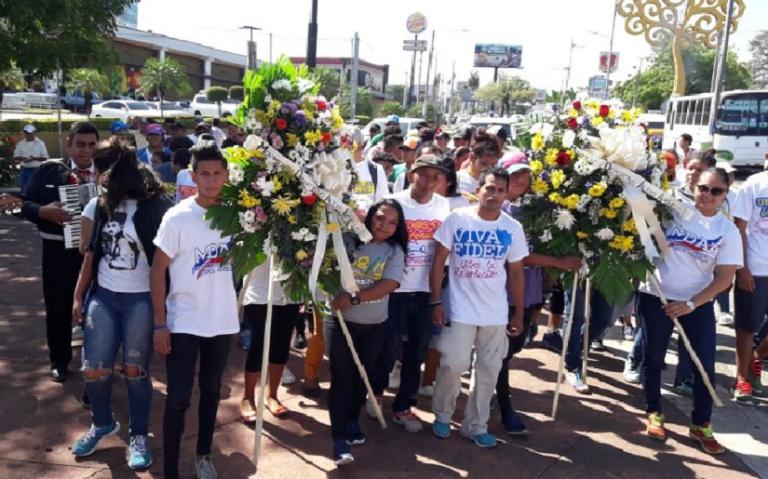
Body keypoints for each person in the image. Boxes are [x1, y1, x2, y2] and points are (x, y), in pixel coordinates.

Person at [70, 141, 171, 468]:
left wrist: (163, 314)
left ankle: (138, 435)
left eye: (104, 172)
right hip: (104, 296)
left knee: (134, 371)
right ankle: (102, 423)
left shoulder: (155, 206)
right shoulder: (102, 205)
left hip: (140, 299)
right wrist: (78, 294)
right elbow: (91, 254)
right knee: (93, 368)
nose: (100, 179)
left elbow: (166, 261)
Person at [150, 141, 239, 479]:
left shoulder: (237, 215)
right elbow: (157, 270)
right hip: (184, 320)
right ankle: (171, 468)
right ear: (193, 175)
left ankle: (203, 454)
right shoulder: (178, 217)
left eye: (218, 173)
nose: (212, 180)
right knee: (178, 398)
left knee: (212, 390)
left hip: (222, 320)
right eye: (205, 173)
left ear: (227, 175)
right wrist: (160, 324)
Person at [637, 168, 741, 454]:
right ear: (694, 187)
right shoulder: (673, 212)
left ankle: (701, 424)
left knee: (704, 364)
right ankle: (654, 411)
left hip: (697, 304)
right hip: (655, 296)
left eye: (715, 191)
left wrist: (691, 304)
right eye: (703, 188)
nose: (707, 195)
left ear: (724, 195)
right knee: (654, 356)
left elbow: (724, 278)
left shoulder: (727, 230)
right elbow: (640, 229)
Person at [430, 167, 528, 448]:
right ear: (479, 189)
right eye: (489, 188)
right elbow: (439, 261)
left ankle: (476, 425)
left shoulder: (512, 228)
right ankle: (443, 415)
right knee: (454, 364)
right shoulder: (457, 219)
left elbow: (517, 273)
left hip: (495, 314)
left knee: (488, 371)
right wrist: (435, 301)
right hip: (459, 309)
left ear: (506, 193)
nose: (493, 194)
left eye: (499, 189)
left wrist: (518, 313)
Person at [493, 155, 581, 435]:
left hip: (530, 290)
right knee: (504, 353)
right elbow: (517, 256)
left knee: (517, 345)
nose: (520, 180)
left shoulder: (535, 208)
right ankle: (505, 408)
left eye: (525, 175)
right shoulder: (498, 208)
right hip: (503, 290)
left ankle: (491, 383)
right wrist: (557, 263)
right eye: (514, 174)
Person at [326, 199, 407, 465]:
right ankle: (338, 440)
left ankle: (351, 420)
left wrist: (355, 298)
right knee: (342, 378)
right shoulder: (348, 239)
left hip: (374, 325)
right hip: (340, 322)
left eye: (392, 222)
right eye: (381, 217)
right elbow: (328, 266)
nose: (385, 225)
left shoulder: (394, 251)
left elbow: (390, 284)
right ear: (371, 216)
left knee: (363, 376)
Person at [21, 122, 99, 382]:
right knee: (58, 306)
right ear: (69, 144)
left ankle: (97, 361)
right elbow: (25, 203)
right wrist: (42, 211)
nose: (86, 150)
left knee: (100, 307)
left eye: (91, 144)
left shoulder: (107, 172)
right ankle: (59, 360)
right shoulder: (50, 170)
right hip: (58, 251)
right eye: (80, 144)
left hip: (98, 253)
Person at [381, 154, 450, 433]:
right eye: (424, 174)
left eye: (436, 176)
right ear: (412, 175)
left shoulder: (443, 206)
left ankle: (403, 406)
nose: (429, 181)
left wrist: (436, 299)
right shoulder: (395, 203)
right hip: (393, 288)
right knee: (385, 348)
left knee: (416, 352)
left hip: (424, 291)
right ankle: (374, 393)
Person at [239, 260, 301, 421]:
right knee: (259, 345)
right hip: (259, 292)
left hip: (289, 292)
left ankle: (272, 395)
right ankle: (248, 397)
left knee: (281, 345)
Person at [732, 167, 768, 403]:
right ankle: (741, 379)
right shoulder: (753, 185)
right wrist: (743, 267)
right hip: (756, 267)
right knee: (747, 327)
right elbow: (739, 228)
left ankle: (756, 358)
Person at [14, 124, 49, 192]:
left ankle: (36, 202)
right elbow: (16, 156)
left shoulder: (40, 143)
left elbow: (45, 157)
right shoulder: (20, 143)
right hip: (24, 170)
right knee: (24, 189)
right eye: (26, 133)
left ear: (34, 133)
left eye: (30, 133)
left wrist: (34, 158)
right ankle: (25, 201)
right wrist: (23, 159)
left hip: (37, 170)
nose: (28, 135)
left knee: (37, 189)